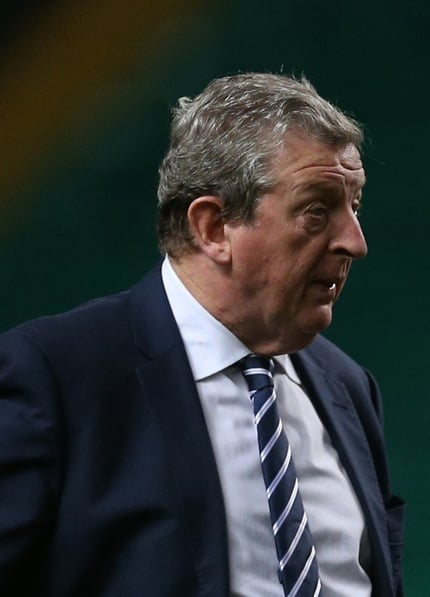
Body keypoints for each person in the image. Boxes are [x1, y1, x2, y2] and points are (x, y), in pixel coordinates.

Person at [0, 73, 404, 597]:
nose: (355, 241)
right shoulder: (54, 377)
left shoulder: (349, 387)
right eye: (316, 210)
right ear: (214, 228)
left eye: (356, 207)